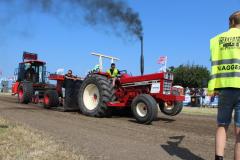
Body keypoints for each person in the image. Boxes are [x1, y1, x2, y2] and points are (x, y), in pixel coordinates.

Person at [208, 11, 240, 160]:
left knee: (222, 125)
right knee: (239, 131)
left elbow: (214, 66)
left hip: (225, 87)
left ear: (230, 22)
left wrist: (212, 88)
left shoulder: (216, 40)